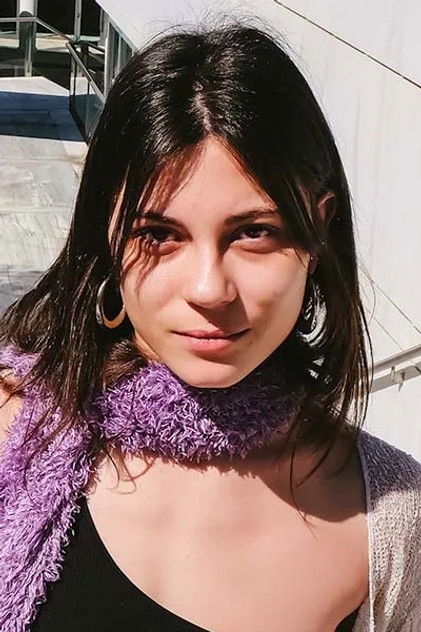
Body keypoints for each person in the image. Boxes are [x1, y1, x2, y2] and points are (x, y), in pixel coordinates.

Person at [0, 21, 419, 632]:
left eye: (253, 232)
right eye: (158, 234)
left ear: (318, 233)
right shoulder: (14, 423)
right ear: (107, 236)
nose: (208, 289)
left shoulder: (388, 518)